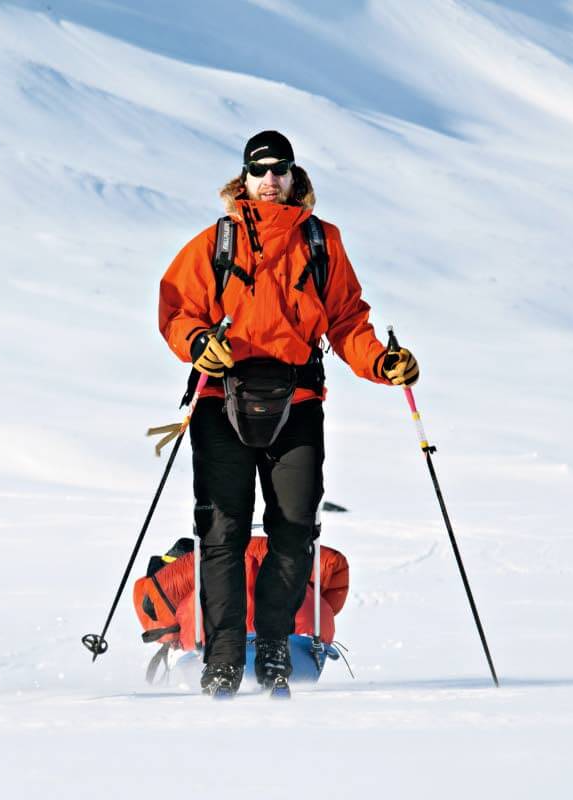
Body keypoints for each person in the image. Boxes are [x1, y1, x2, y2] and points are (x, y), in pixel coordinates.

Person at [157, 130, 418, 698]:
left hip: (298, 403)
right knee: (221, 532)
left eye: (281, 169)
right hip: (218, 401)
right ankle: (222, 656)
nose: (271, 179)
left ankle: (274, 645)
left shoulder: (323, 243)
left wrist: (383, 361)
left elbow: (348, 320)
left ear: (295, 177)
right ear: (244, 180)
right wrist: (199, 340)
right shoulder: (214, 243)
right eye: (260, 169)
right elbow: (176, 309)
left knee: (295, 530)